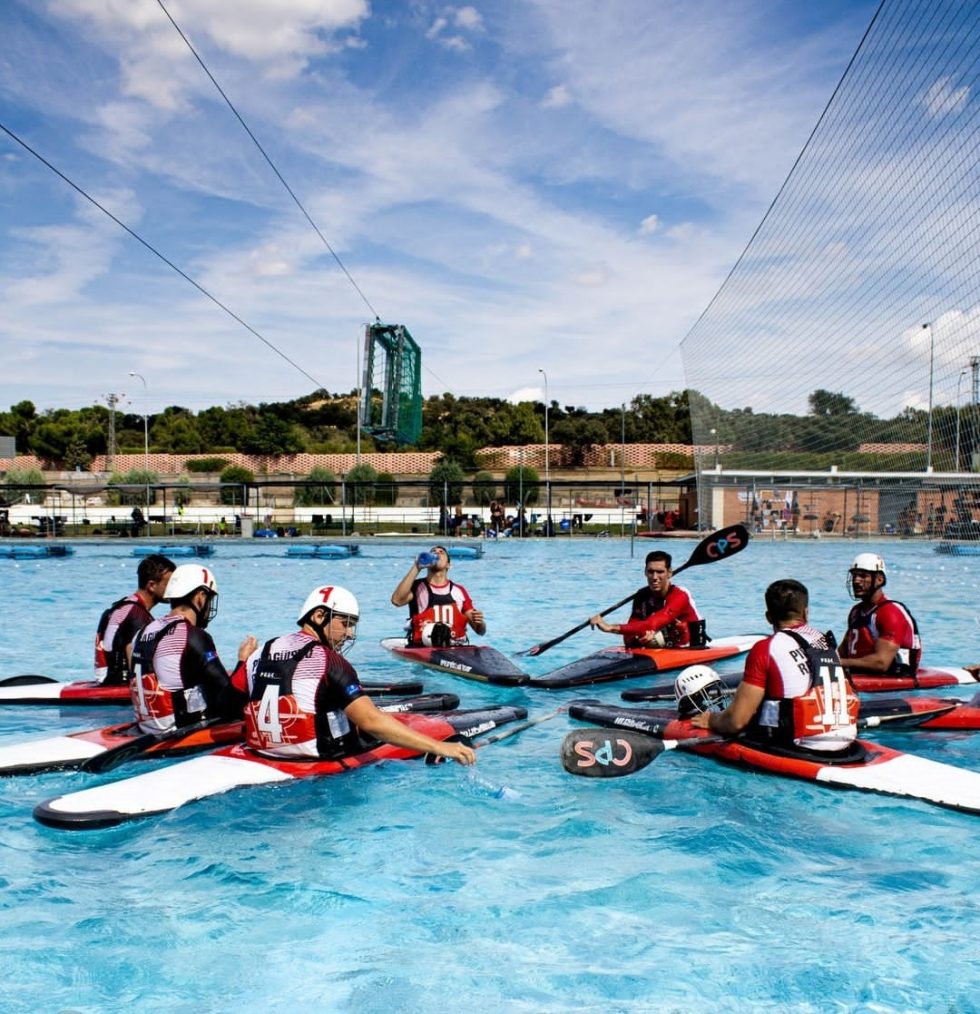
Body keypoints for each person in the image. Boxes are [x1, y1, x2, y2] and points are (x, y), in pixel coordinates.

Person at [243, 585, 475, 765]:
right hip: (318, 758)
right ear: (319, 616)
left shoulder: (261, 651)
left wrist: (242, 661)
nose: (350, 633)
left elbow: (229, 700)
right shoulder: (329, 660)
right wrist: (441, 748)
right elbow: (371, 722)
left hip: (263, 751)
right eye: (345, 623)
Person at [690, 579, 859, 752]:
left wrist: (712, 720)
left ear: (769, 617)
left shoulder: (765, 648)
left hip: (800, 743)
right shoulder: (824, 640)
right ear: (806, 613)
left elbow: (736, 722)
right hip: (847, 736)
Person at [130, 564, 256, 734]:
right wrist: (244, 661)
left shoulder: (146, 630)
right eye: (209, 599)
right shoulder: (194, 635)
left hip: (146, 727)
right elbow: (230, 704)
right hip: (179, 732)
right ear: (200, 597)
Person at [589, 550, 703, 648]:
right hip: (666, 647)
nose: (654, 577)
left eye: (660, 572)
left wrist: (610, 628)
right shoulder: (641, 595)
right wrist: (640, 639)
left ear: (669, 573)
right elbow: (628, 638)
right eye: (650, 571)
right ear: (645, 572)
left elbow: (652, 624)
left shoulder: (680, 596)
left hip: (692, 646)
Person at [94, 553, 176, 685]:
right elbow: (137, 668)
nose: (174, 589)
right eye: (170, 584)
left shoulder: (123, 606)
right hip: (120, 689)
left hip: (105, 682)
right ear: (151, 585)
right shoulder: (137, 616)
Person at [838, 552, 921, 677]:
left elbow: (881, 663)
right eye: (854, 576)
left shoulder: (890, 613)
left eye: (863, 576)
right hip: (861, 676)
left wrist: (838, 663)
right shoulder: (856, 611)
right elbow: (842, 652)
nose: (856, 581)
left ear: (879, 580)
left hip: (893, 684)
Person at [391, 545, 486, 646]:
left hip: (456, 647)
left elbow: (480, 631)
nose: (437, 553)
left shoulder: (459, 591)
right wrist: (417, 567)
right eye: (433, 552)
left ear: (448, 565)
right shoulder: (417, 587)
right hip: (423, 648)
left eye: (441, 552)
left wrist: (480, 622)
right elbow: (397, 601)